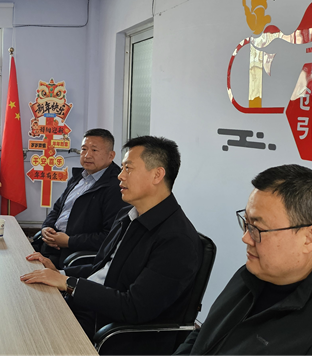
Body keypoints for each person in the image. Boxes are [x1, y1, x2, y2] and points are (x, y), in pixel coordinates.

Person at [21, 136, 202, 355]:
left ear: (157, 175)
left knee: (29, 336)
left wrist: (68, 283)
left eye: (128, 168)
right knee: (25, 306)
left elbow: (134, 307)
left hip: (113, 331)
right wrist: (58, 272)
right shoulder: (128, 215)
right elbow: (105, 269)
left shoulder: (176, 240)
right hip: (90, 305)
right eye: (122, 168)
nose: (120, 175)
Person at [173, 165, 312, 355]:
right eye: (246, 223)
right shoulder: (255, 272)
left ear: (309, 238)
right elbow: (204, 335)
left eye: (257, 229)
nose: (246, 238)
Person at [32, 128, 128, 268]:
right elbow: (58, 209)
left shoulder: (116, 187)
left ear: (111, 155)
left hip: (73, 258)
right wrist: (47, 227)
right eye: (84, 149)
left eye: (94, 150)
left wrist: (69, 241)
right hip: (50, 246)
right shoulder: (79, 177)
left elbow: (109, 236)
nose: (87, 155)